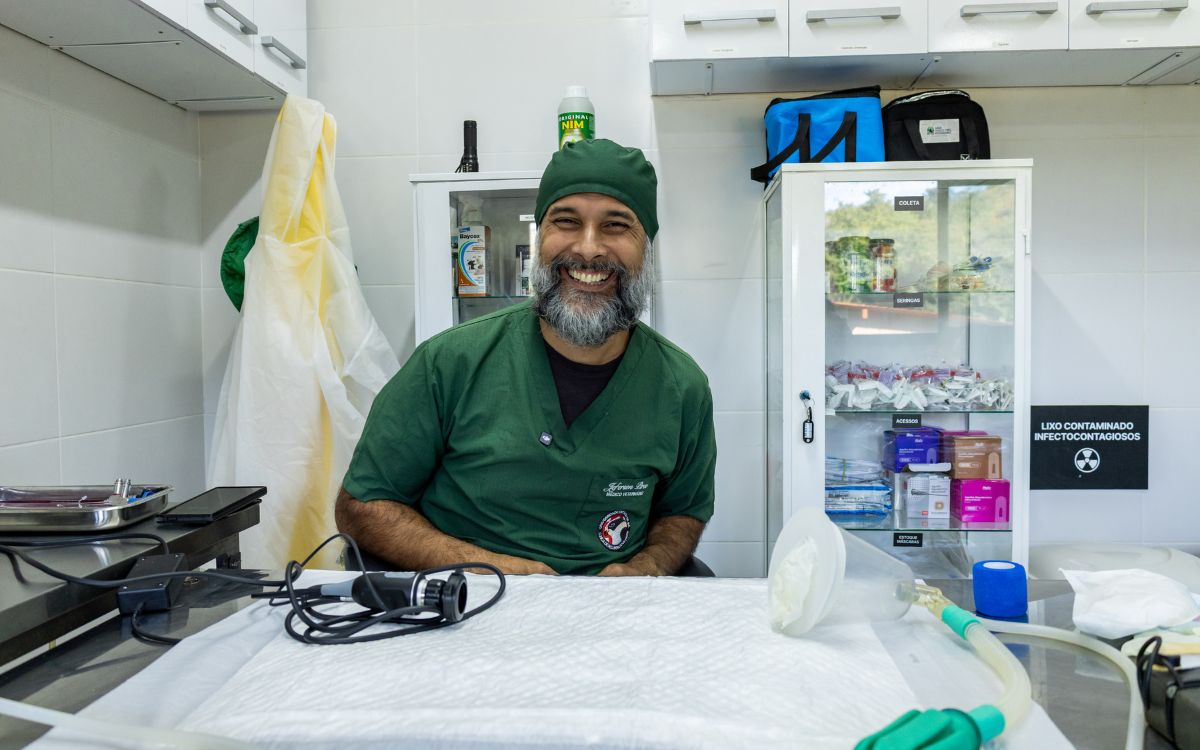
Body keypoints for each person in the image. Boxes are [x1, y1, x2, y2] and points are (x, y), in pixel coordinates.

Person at [335, 139, 716, 576]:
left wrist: (646, 568)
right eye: (566, 221)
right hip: (468, 608)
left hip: (611, 616)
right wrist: (492, 569)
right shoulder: (448, 364)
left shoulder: (681, 387)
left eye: (615, 225)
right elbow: (361, 505)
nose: (589, 248)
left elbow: (683, 512)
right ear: (540, 238)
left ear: (646, 246)